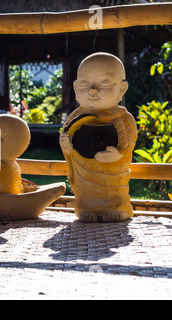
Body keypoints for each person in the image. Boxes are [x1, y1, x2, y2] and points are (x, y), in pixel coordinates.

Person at [59, 52, 137, 222]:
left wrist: (118, 155)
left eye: (104, 83)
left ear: (122, 89)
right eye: (85, 84)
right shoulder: (75, 117)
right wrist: (66, 146)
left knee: (114, 189)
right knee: (86, 191)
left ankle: (118, 207)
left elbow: (128, 143)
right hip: (84, 173)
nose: (93, 90)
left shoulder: (124, 118)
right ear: (76, 87)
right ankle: (87, 208)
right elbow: (66, 137)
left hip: (113, 172)